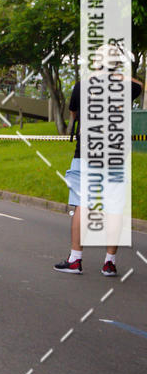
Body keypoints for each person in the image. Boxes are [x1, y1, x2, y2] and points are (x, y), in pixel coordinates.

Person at [54, 73, 143, 276]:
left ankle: (75, 260)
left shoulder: (81, 86)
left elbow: (73, 113)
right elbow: (139, 85)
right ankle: (109, 263)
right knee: (114, 208)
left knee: (82, 204)